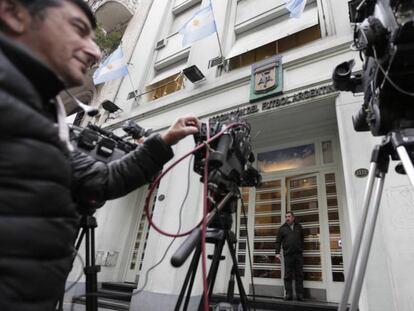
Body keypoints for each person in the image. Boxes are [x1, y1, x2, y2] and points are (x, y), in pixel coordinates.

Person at [0, 1, 199, 310]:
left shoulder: (44, 119)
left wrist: (164, 139)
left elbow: (102, 181)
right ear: (12, 13)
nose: (94, 52)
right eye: (79, 30)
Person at [275, 211, 305, 301]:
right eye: (286, 217)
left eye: (289, 216)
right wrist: (277, 253)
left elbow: (302, 238)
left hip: (298, 255)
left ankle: (299, 294)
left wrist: (300, 248)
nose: (287, 218)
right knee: (288, 275)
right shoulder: (282, 228)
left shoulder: (299, 227)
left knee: (299, 274)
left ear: (293, 217)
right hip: (288, 255)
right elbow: (278, 241)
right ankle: (288, 294)